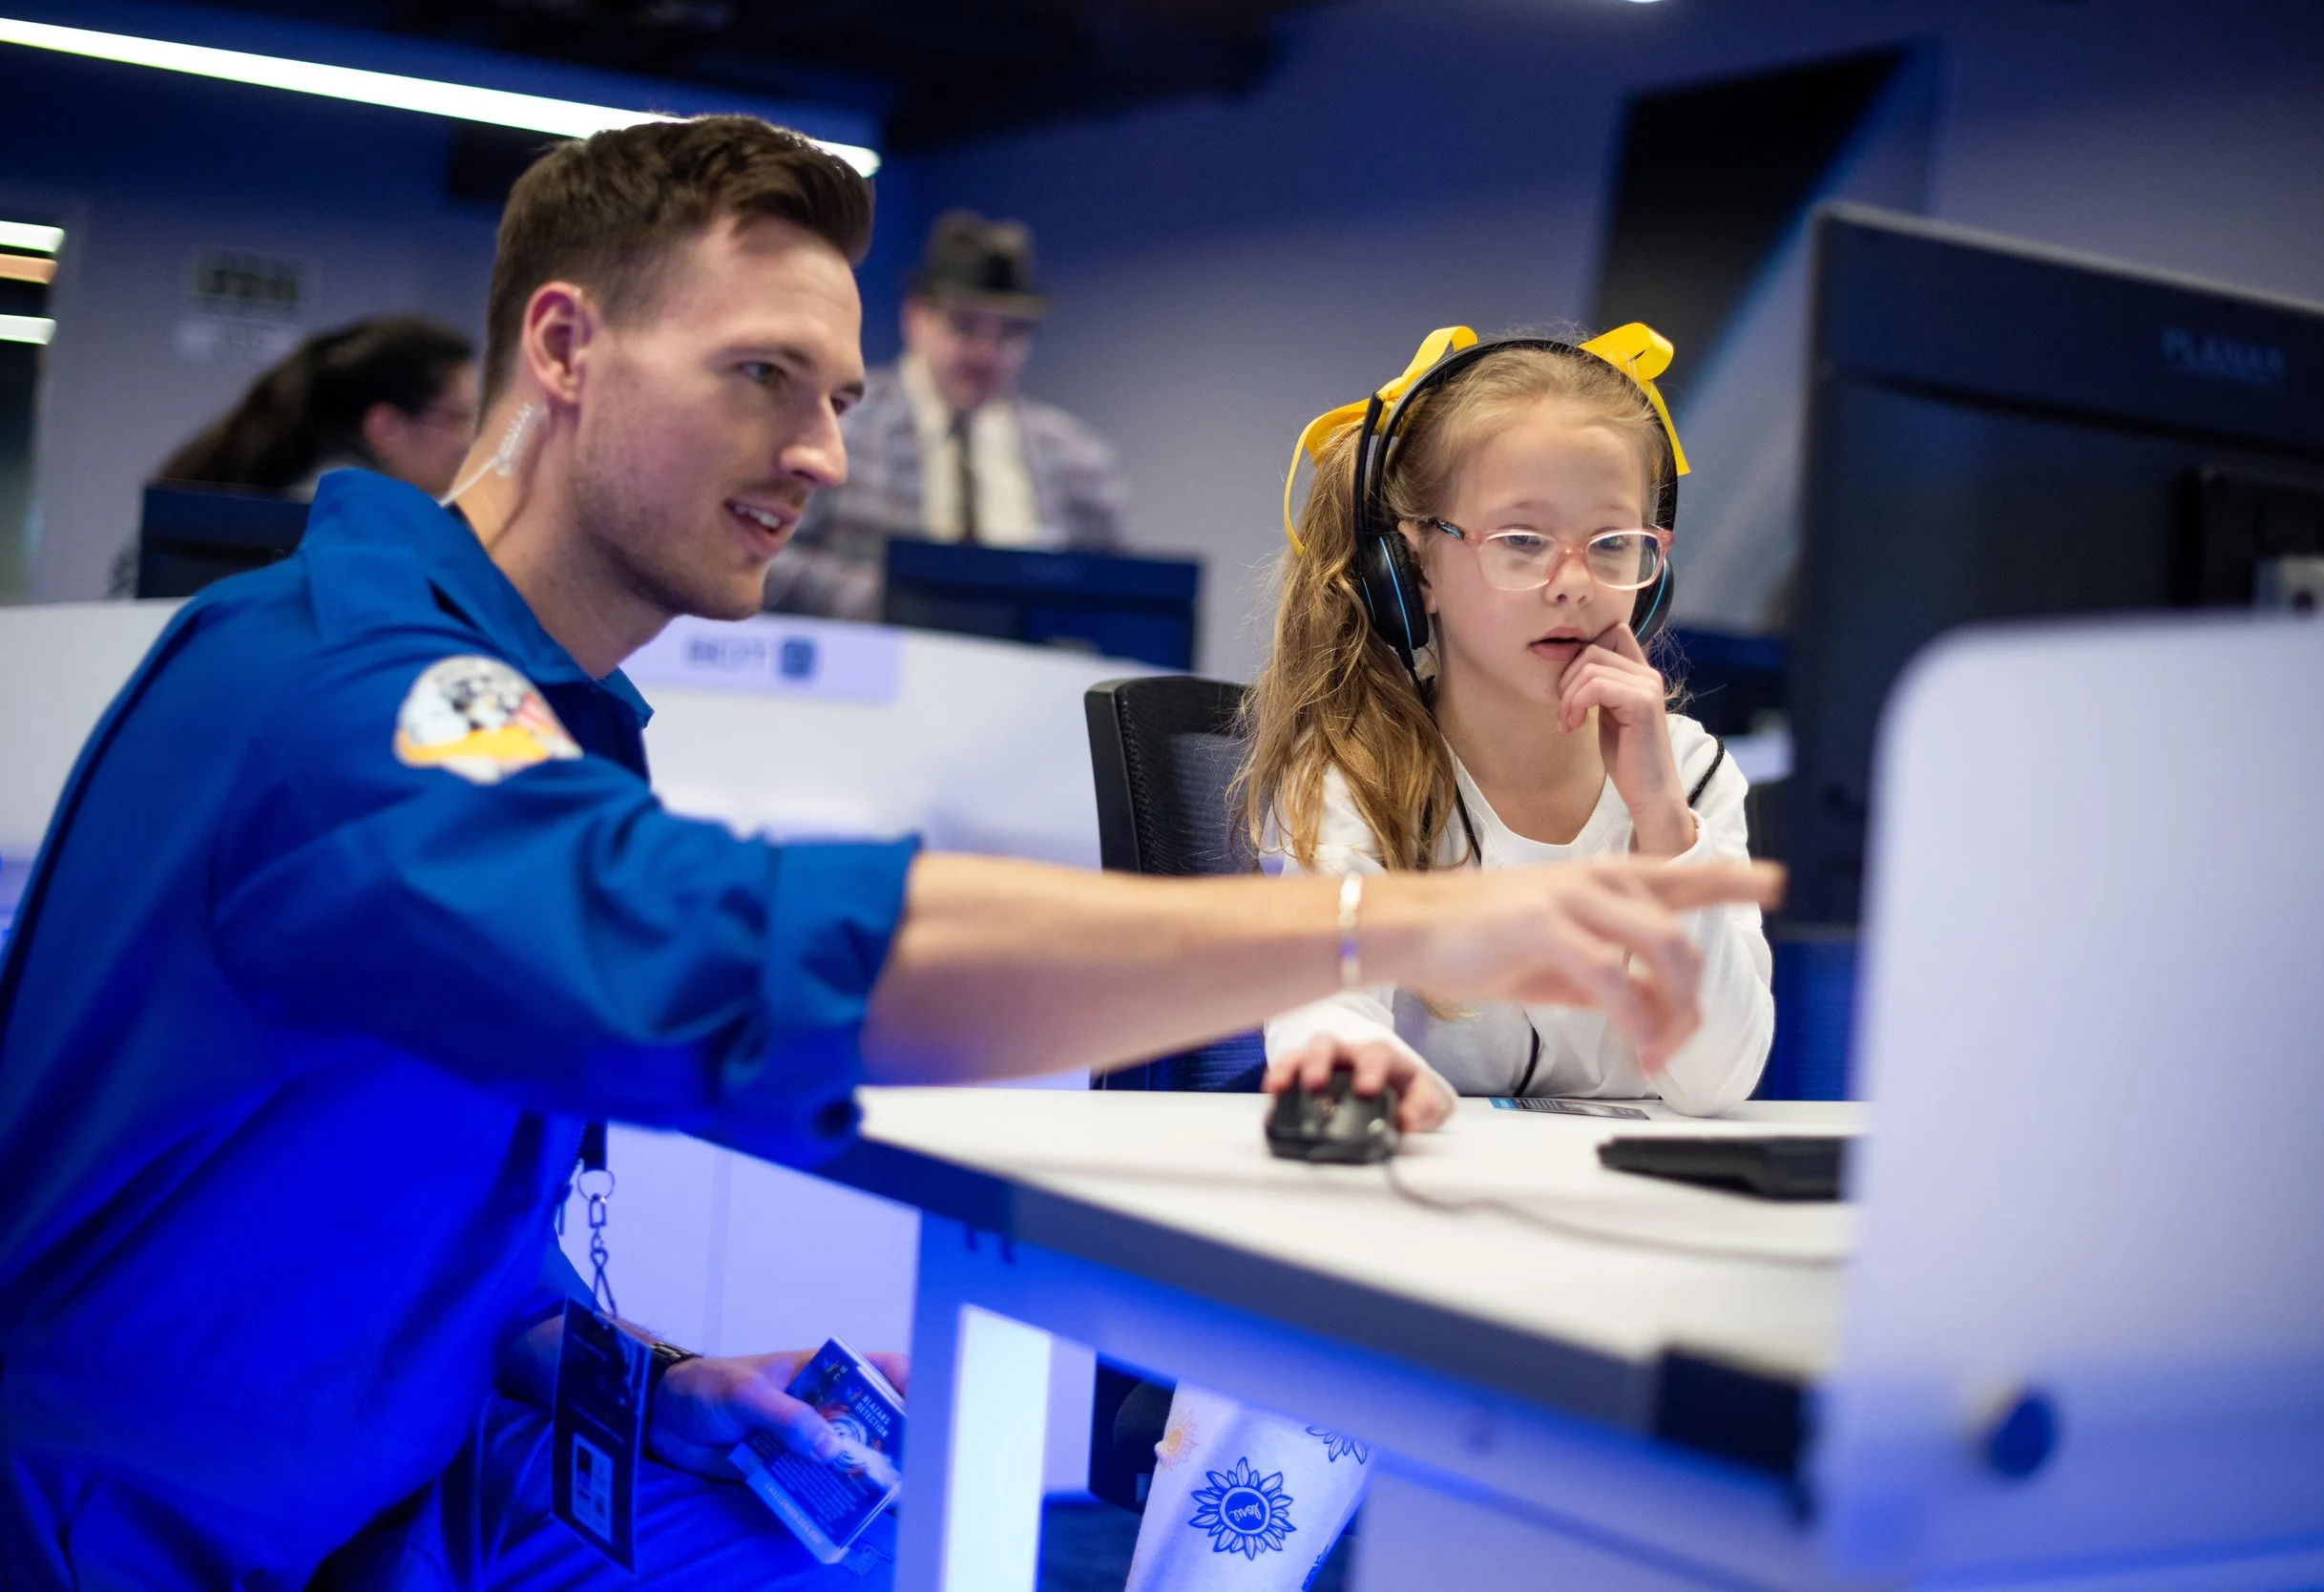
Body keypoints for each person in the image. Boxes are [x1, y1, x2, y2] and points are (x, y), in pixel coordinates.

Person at [0, 119, 1777, 1591]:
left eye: (841, 394)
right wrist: (1392, 921)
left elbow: (406, 1197)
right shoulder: (354, 697)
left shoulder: (547, 706)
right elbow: (731, 958)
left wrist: (656, 1381)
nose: (822, 455)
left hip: (417, 1466)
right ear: (563, 348)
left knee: (913, 1535)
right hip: (150, 1529)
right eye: (761, 377)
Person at [1122, 325, 1773, 1592]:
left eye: (1614, 544)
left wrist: (1661, 824)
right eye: (1523, 541)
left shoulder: (1690, 774)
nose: (1574, 585)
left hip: (1612, 1236)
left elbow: (1714, 1081)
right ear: (1410, 558)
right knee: (1324, 1330)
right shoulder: (1356, 769)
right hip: (1414, 1223)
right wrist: (1361, 1075)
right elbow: (1327, 1018)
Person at [762, 208, 1128, 618]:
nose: (987, 353)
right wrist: (901, 602)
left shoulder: (1079, 459)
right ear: (915, 316)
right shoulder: (841, 423)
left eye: (1011, 332)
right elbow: (764, 555)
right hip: (870, 652)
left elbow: (1115, 596)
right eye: (965, 325)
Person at [111, 315, 479, 594]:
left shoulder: (269, 503)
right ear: (385, 427)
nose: (469, 441)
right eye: (459, 417)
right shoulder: (366, 533)